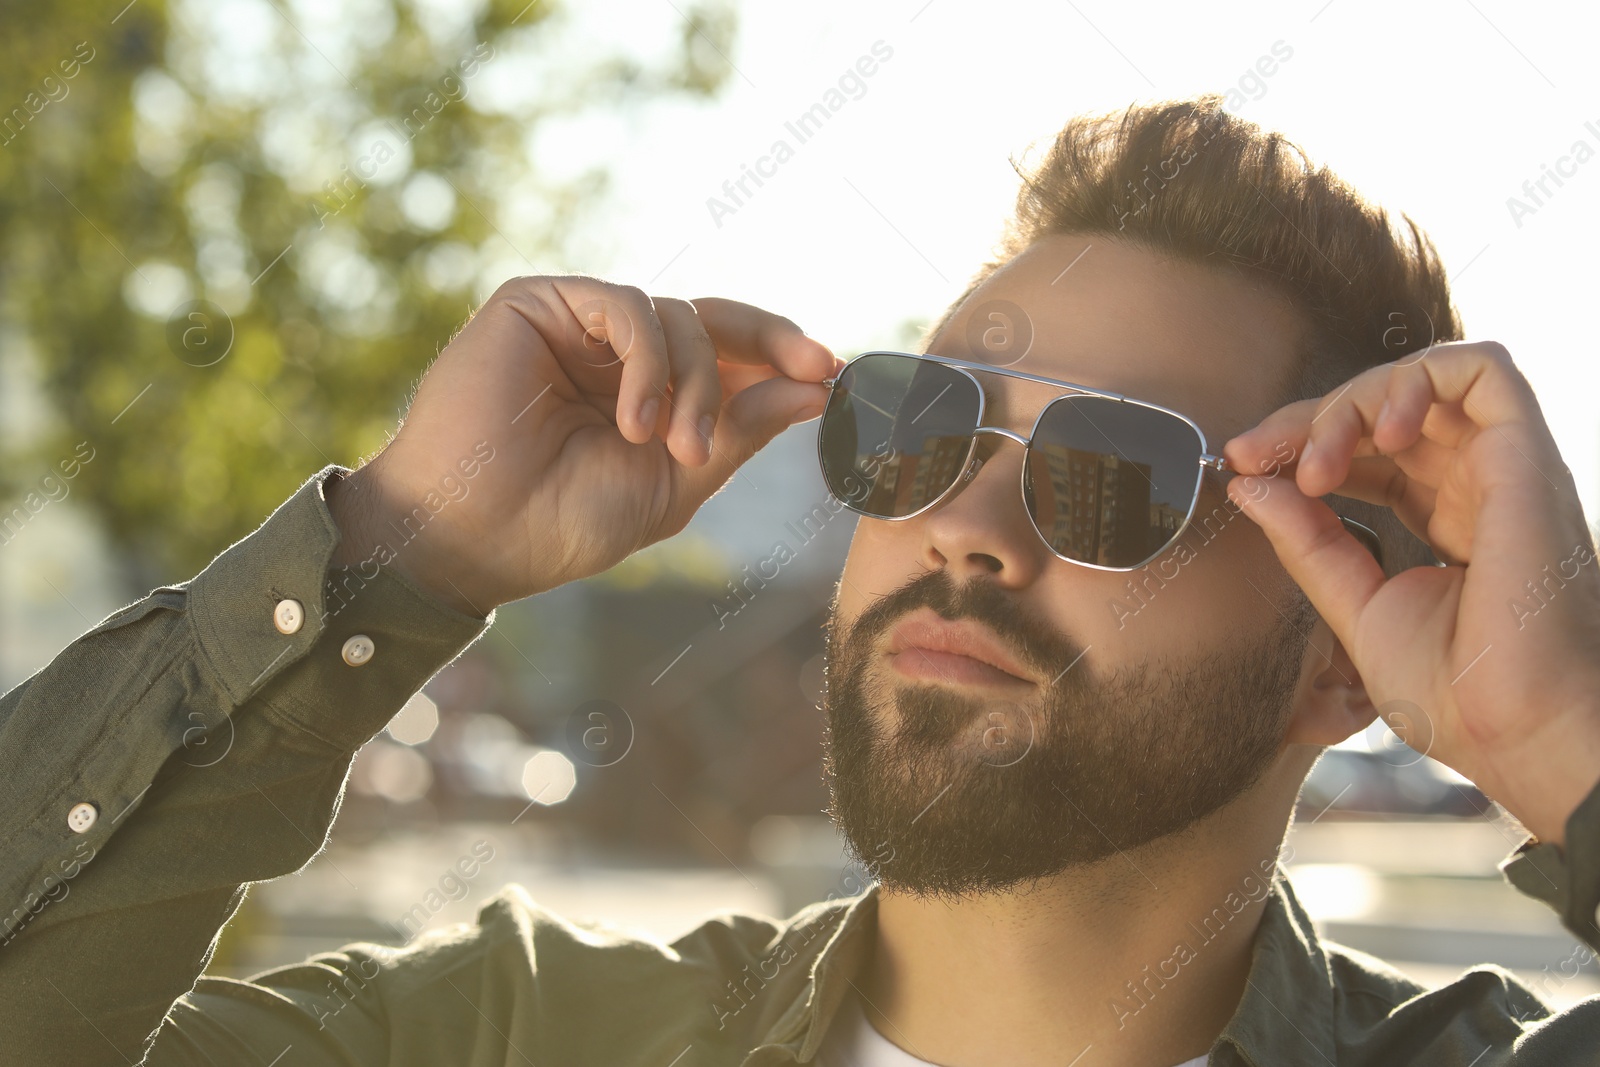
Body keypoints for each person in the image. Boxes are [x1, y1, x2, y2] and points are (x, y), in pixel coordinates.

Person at [3, 94, 1598, 1067]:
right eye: (920, 427)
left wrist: (1563, 748)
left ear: (1343, 648)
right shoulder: (505, 1036)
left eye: (1115, 473)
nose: (970, 525)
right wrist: (397, 552)